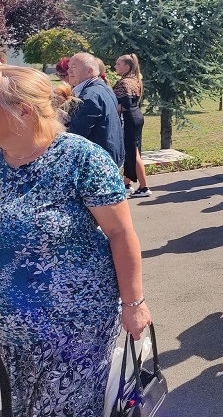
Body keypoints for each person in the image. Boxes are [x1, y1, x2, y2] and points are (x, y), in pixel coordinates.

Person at [0, 65, 151, 416]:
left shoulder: (81, 158)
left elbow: (120, 233)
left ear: (23, 110)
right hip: (10, 327)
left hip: (74, 322)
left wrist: (134, 303)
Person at [67, 52, 125, 166]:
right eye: (69, 68)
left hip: (98, 162)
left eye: (74, 68)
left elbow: (75, 135)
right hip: (110, 156)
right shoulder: (103, 88)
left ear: (89, 71)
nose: (69, 71)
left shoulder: (89, 96)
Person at [112, 54, 151, 198]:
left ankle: (144, 187)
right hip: (136, 117)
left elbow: (127, 104)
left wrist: (111, 107)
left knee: (133, 154)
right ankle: (126, 184)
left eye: (118, 64)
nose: (115, 66)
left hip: (130, 119)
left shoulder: (125, 83)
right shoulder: (134, 80)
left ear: (127, 67)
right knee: (131, 152)